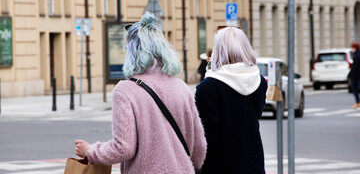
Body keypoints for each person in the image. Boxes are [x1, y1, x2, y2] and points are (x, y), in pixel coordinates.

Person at [74, 13, 207, 173]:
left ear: (131, 51)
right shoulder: (182, 88)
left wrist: (91, 151)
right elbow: (199, 147)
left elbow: (123, 148)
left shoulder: (125, 91)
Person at [195, 26, 267, 174]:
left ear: (218, 50)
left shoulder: (208, 88)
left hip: (220, 164)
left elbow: (208, 138)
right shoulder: (259, 81)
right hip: (253, 161)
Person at [348, 41, 360, 109]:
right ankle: (358, 102)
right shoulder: (357, 54)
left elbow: (354, 66)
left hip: (356, 75)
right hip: (356, 75)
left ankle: (358, 102)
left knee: (355, 88)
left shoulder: (356, 55)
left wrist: (350, 75)